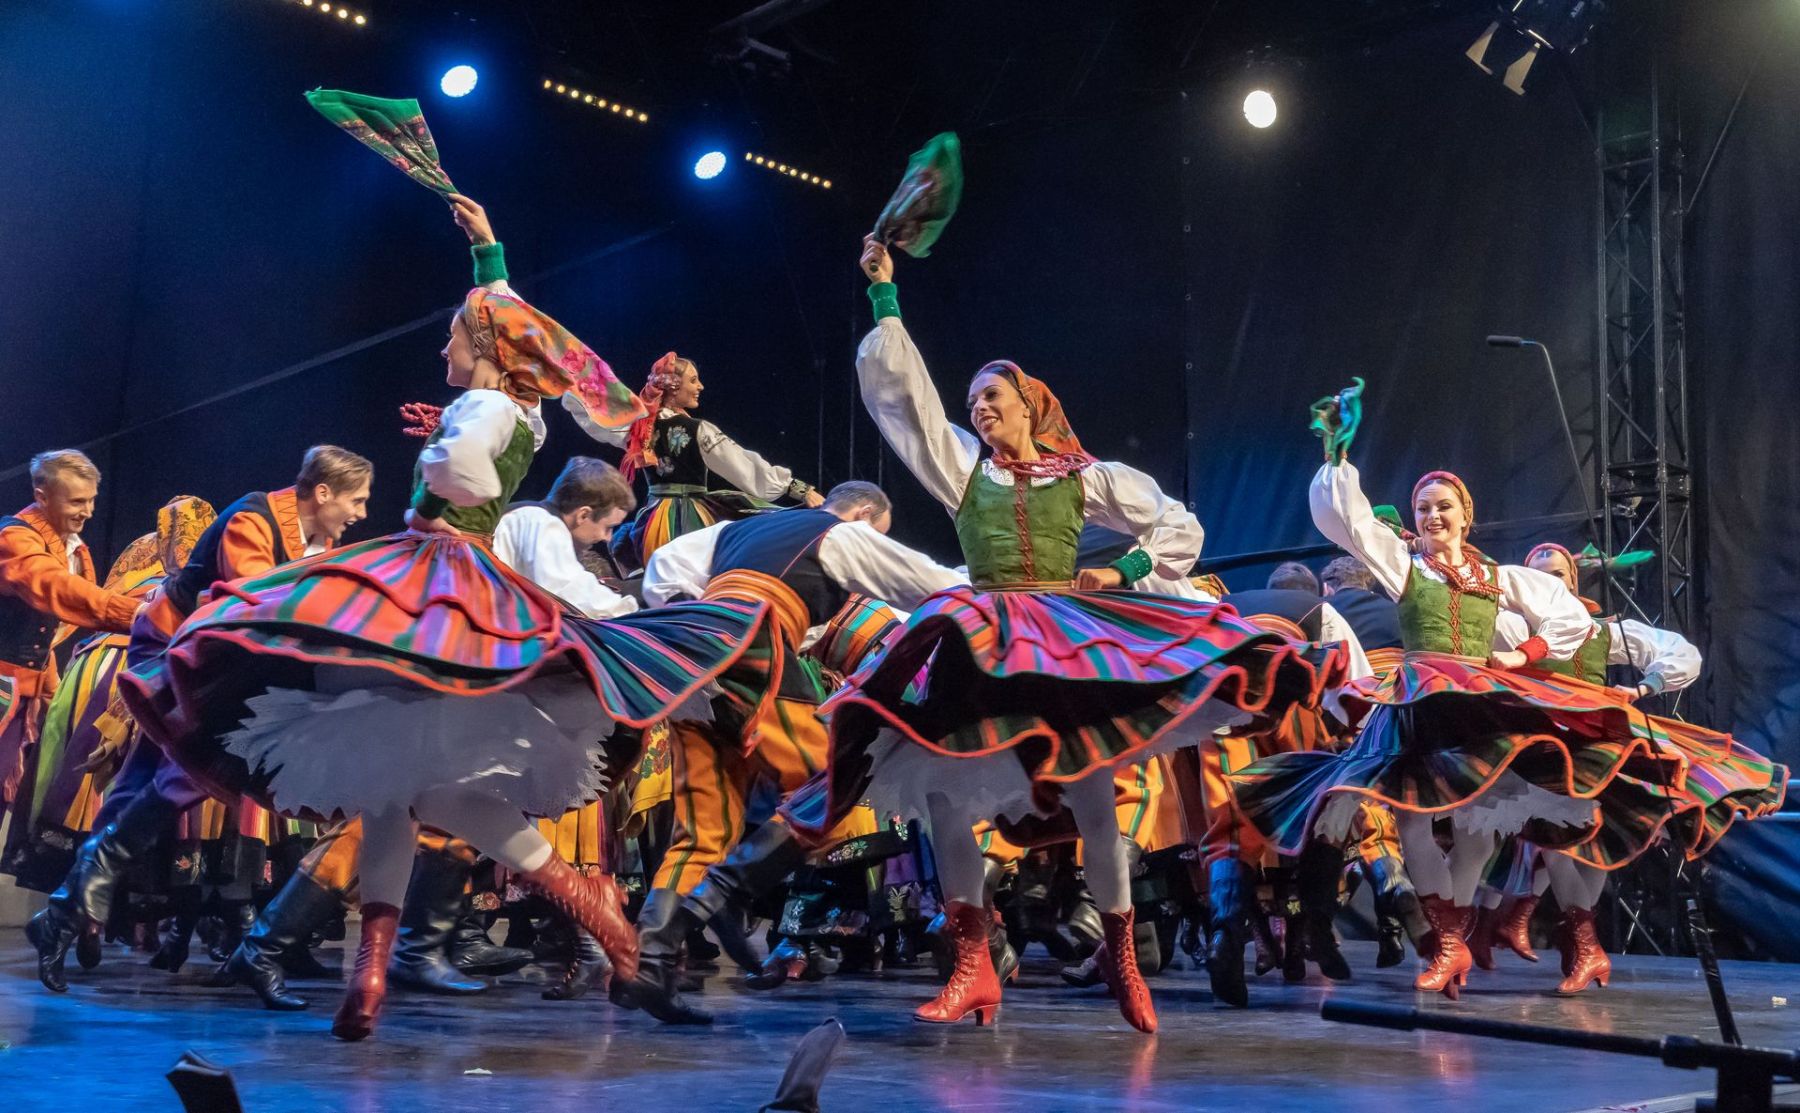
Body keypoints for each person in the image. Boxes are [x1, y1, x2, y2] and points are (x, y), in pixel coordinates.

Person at [116, 196, 771, 1041]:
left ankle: (572, 931)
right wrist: (488, 253)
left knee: (412, 789)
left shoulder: (487, 408)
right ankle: (401, 967)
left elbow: (465, 468)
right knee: (400, 792)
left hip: (434, 582)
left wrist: (439, 468)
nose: (443, 350)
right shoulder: (522, 410)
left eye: (453, 338)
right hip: (458, 584)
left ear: (488, 351)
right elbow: (507, 332)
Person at [788, 237, 1341, 1034]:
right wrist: (884, 293)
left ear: (1030, 405)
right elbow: (906, 401)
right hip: (984, 637)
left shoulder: (1084, 476)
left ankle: (1120, 952)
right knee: (944, 792)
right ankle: (974, 962)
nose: (979, 408)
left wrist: (1124, 571)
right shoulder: (963, 469)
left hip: (1062, 637)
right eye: (973, 400)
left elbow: (1176, 524)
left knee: (1093, 796)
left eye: (992, 396)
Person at [1230, 389, 1681, 1001]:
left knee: (1497, 832)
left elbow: (1568, 617)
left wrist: (1523, 655)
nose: (1432, 517)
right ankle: (1448, 942)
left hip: (1478, 704)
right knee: (1412, 821)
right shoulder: (1404, 565)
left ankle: (1571, 942)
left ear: (1466, 515)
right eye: (1423, 508)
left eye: (1443, 507)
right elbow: (1349, 522)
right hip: (1419, 700)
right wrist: (1336, 453)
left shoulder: (1498, 578)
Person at [24, 448, 370, 992]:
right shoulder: (252, 519)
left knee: (145, 780)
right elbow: (257, 608)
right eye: (357, 500)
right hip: (172, 648)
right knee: (195, 766)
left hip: (216, 657)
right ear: (323, 493)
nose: (362, 513)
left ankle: (66, 913)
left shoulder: (319, 541)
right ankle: (81, 903)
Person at [618, 480, 964, 1023]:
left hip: (690, 654)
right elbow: (935, 586)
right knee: (838, 781)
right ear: (864, 516)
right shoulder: (842, 534)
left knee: (702, 832)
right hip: (758, 652)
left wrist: (698, 620)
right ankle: (721, 895)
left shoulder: (735, 529)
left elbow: (664, 566)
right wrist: (1010, 598)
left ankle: (651, 961)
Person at [1479, 541, 1786, 993]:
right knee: (1551, 837)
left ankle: (1548, 931)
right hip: (1543, 744)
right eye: (1538, 577)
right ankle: (1568, 940)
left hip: (1596, 744)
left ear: (1573, 580)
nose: (1549, 584)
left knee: (1594, 841)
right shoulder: (1512, 631)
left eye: (1557, 575)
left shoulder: (1601, 631)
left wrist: (1645, 688)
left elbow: (1679, 652)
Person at [575, 350, 824, 575]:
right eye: (693, 381)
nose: (700, 387)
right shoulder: (697, 429)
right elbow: (744, 467)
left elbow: (596, 414)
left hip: (651, 523)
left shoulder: (639, 428)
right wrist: (797, 488)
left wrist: (572, 383)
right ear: (674, 387)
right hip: (691, 519)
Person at [0, 451, 143, 808]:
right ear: (42, 496)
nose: (88, 511)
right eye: (77, 501)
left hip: (21, 688)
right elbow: (55, 587)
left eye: (92, 500)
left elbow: (44, 637)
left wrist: (53, 693)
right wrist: (138, 613)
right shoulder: (15, 539)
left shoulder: (71, 547)